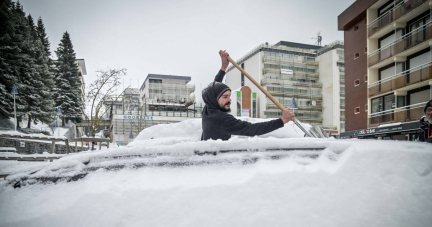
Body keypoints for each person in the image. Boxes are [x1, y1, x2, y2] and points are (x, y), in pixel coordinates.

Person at [201, 50, 295, 141]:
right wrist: (282, 120)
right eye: (225, 97)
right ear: (214, 99)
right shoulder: (222, 119)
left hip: (208, 154)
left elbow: (214, 88)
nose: (230, 99)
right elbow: (252, 128)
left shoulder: (208, 109)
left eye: (229, 95)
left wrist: (223, 68)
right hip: (218, 156)